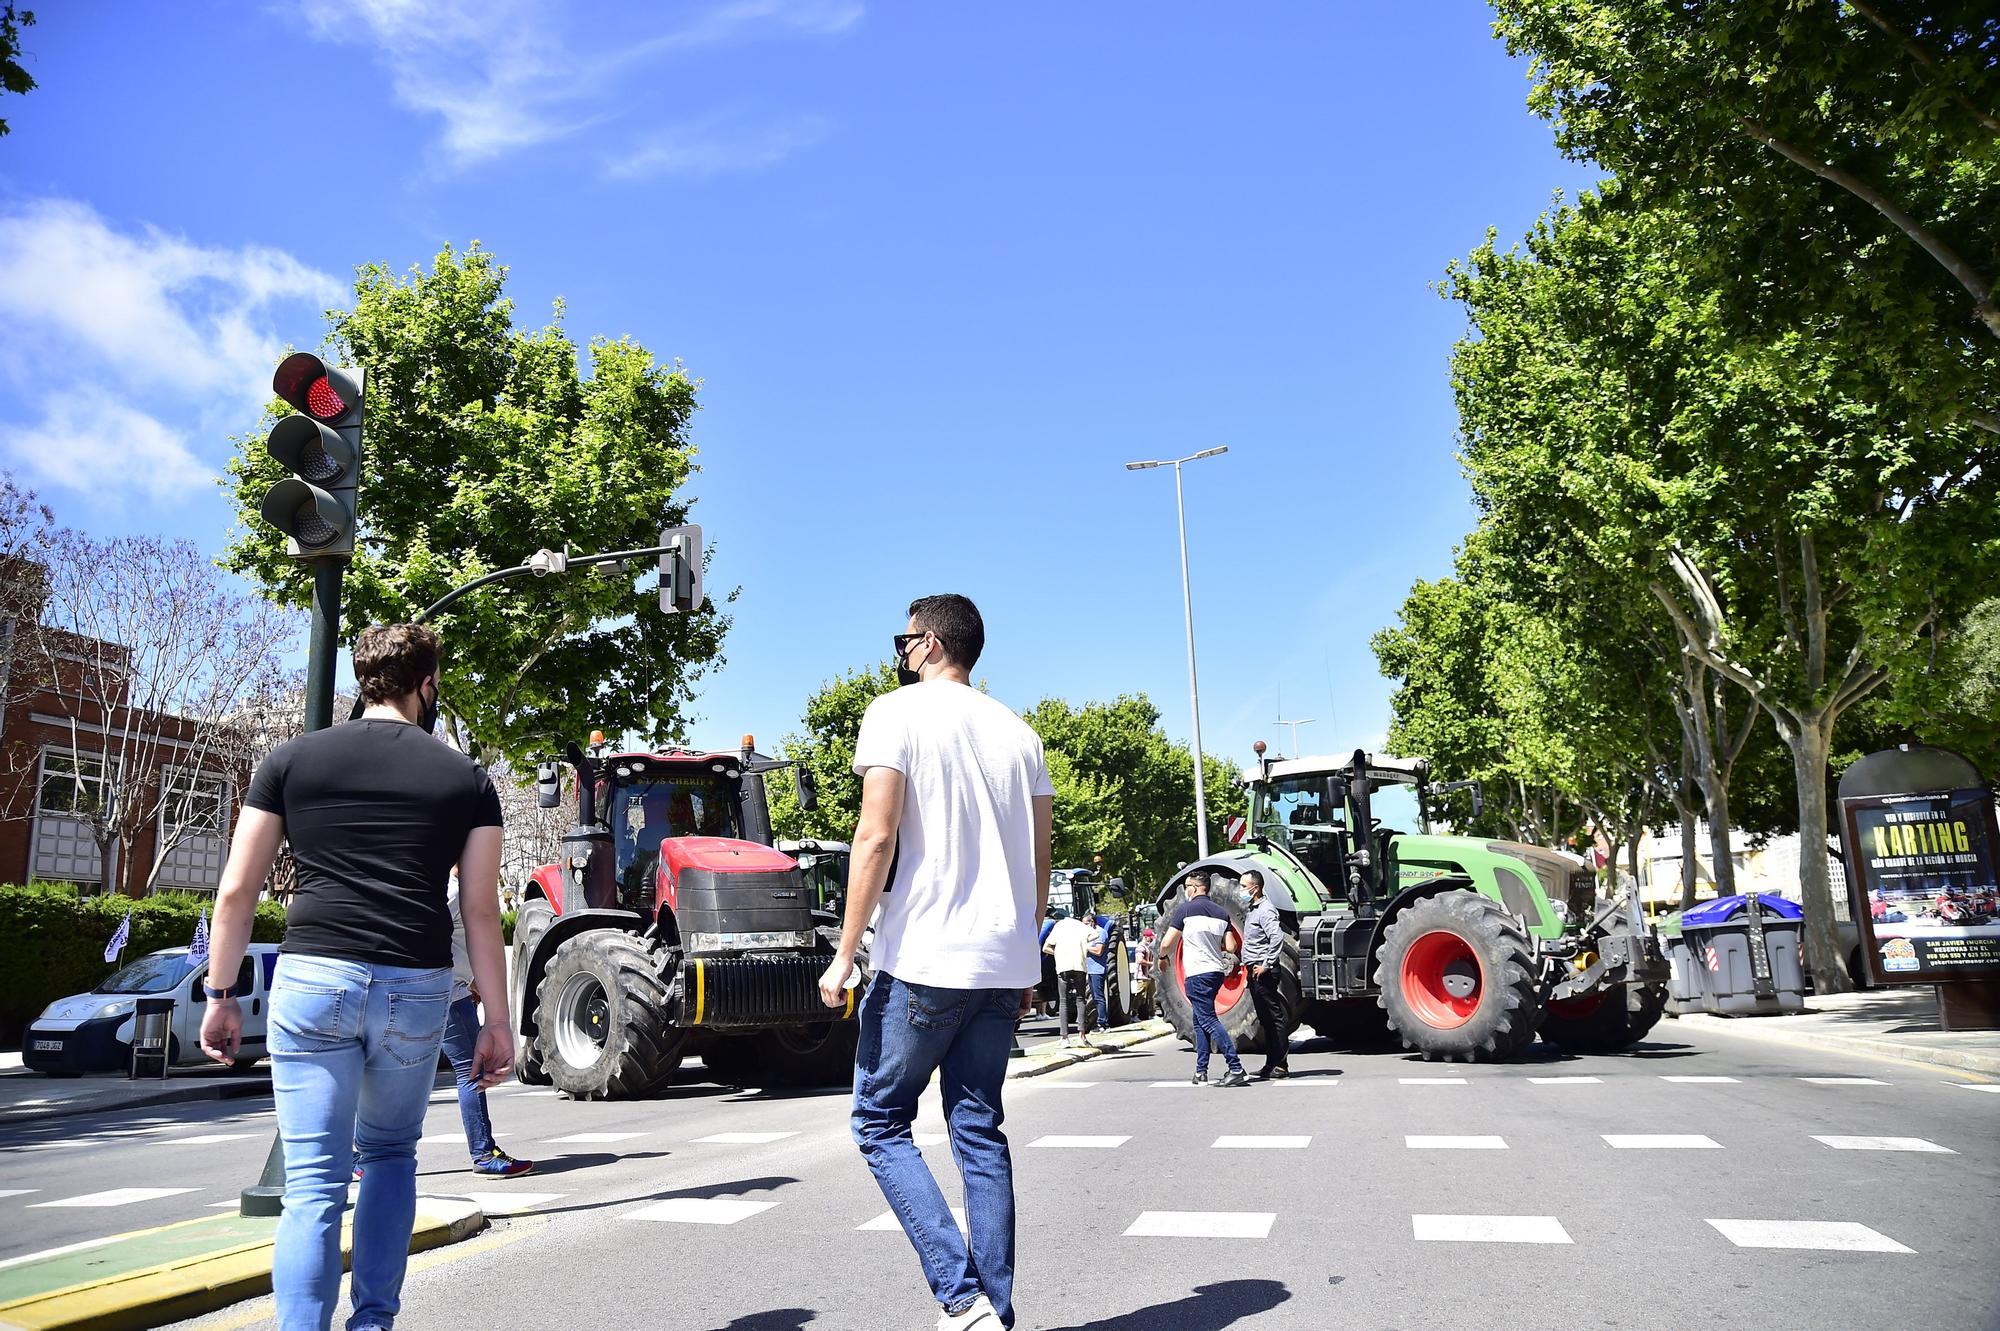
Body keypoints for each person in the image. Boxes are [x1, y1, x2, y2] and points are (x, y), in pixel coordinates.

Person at [198, 624, 510, 1331]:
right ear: (426, 684)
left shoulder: (290, 760)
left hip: (313, 977)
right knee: (392, 1154)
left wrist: (221, 995)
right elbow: (483, 912)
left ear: (363, 680)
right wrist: (496, 1018)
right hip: (414, 981)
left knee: (313, 1183)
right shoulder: (466, 780)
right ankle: (373, 1322)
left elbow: (236, 892)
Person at [818, 595, 1053, 1331]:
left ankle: (960, 1297)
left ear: (928, 643)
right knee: (978, 1128)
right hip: (999, 962)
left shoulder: (897, 711)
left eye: (903, 638)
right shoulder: (1021, 735)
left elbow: (875, 836)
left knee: (880, 1121)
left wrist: (845, 950)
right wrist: (1026, 958)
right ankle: (996, 1310)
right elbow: (1040, 861)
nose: (899, 652)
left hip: (923, 955)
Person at [442, 871, 534, 1175]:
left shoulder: (443, 885)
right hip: (447, 994)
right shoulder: (455, 891)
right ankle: (483, 1153)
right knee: (471, 1071)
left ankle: (366, 1157)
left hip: (444, 989)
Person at [1157, 872, 1247, 1087]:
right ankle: (1201, 1071)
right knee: (1199, 1020)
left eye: (1187, 886)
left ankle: (1235, 1067)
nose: (1186, 890)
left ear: (1196, 888)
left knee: (1207, 1019)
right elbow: (1232, 947)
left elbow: (1167, 942)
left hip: (1197, 973)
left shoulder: (1185, 910)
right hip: (1216, 972)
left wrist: (1161, 958)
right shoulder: (1221, 913)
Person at [1239, 870, 1289, 1079]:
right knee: (1265, 1020)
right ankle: (1271, 1064)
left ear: (1255, 888)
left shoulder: (1266, 910)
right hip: (1254, 970)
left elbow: (1276, 938)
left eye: (1243, 886)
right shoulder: (1253, 909)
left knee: (1274, 1017)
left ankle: (1281, 1065)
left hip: (1263, 971)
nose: (1241, 890)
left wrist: (1266, 965)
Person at [1041, 910, 1095, 1046]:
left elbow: (1045, 948)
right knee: (1081, 999)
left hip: (1063, 966)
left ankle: (1064, 1038)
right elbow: (1095, 935)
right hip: (1079, 966)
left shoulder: (1059, 927)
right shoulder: (1082, 926)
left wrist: (1057, 953)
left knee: (1063, 1001)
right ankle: (1082, 1036)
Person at [1084, 912, 1115, 1030]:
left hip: (1098, 970)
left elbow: (1098, 951)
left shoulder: (1100, 933)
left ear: (1092, 922)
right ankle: (1098, 1022)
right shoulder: (1088, 934)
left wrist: (1086, 947)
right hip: (1090, 970)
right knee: (1094, 997)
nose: (1084, 926)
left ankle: (1103, 1023)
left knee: (1099, 997)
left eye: (1086, 923)